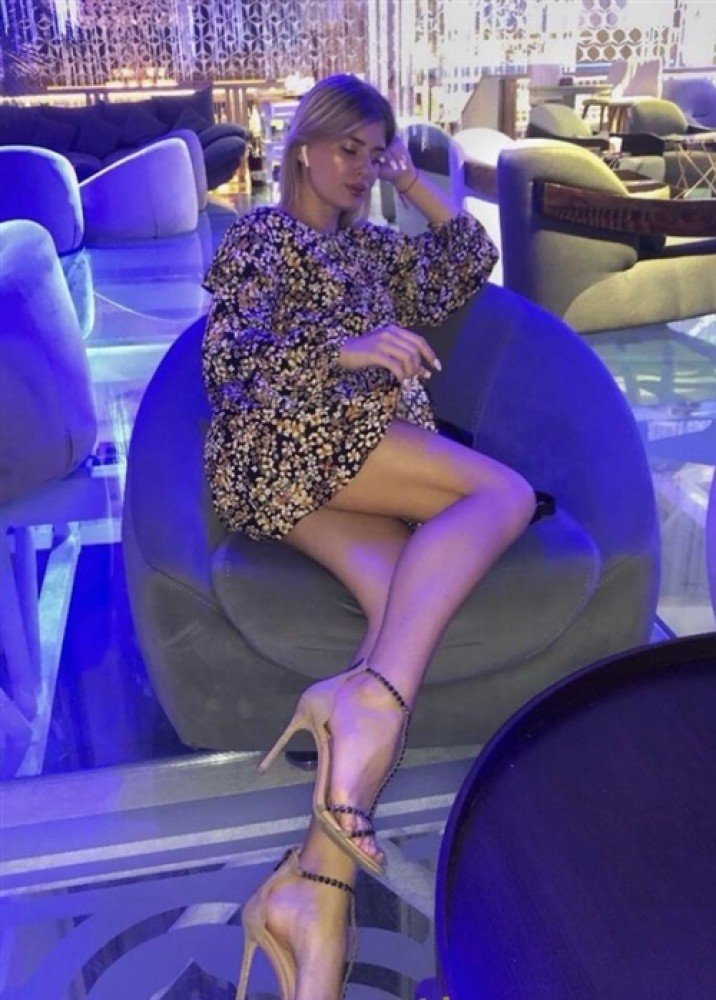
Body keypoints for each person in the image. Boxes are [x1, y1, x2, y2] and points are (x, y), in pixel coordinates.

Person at [202, 74, 536, 1000]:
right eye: (348, 148)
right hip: (292, 441)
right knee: (504, 493)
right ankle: (367, 706)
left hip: (334, 473)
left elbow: (471, 253)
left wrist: (410, 176)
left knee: (398, 611)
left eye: (374, 151)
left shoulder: (374, 250)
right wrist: (347, 350)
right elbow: (227, 360)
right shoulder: (263, 238)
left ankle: (312, 898)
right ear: (305, 147)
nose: (360, 168)